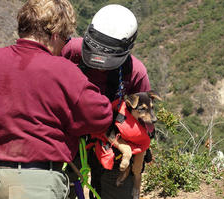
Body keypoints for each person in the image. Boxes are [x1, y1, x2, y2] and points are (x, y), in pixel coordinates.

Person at [0, 0, 113, 199]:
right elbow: (101, 116)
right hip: (33, 183)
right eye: (66, 38)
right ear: (55, 35)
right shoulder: (63, 71)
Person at [61, 4, 153, 199]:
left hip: (114, 142)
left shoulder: (134, 72)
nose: (100, 66)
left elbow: (145, 123)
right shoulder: (70, 52)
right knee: (61, 187)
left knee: (115, 191)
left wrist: (139, 156)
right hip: (69, 135)